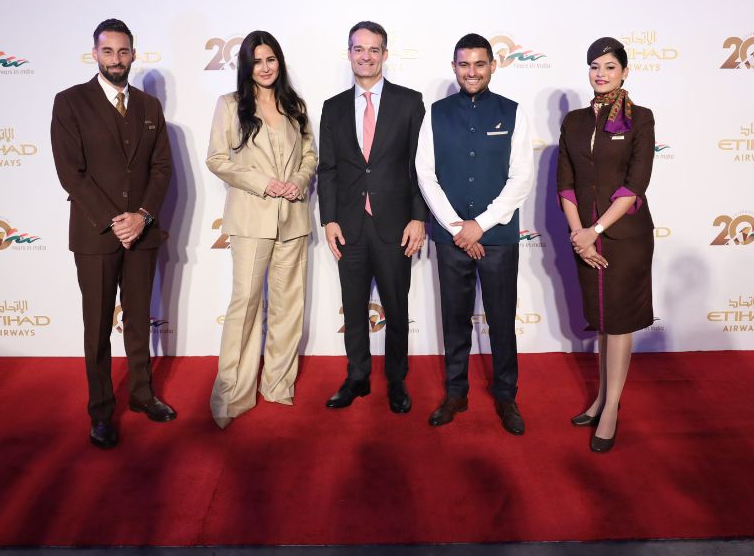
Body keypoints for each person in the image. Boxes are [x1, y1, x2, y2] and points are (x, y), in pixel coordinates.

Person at [50, 18, 175, 449]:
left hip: (142, 233)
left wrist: (141, 216)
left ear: (133, 55)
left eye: (123, 52)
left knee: (138, 320)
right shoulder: (70, 102)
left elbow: (161, 169)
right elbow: (71, 173)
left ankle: (142, 394)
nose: (116, 59)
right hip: (95, 235)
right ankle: (101, 412)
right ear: (95, 54)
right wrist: (114, 219)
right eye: (108, 51)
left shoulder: (149, 106)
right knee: (98, 326)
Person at [416, 33, 534, 435]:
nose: (472, 72)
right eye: (464, 64)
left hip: (497, 238)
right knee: (454, 320)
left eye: (479, 64)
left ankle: (506, 395)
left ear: (492, 66)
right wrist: (456, 227)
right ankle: (455, 393)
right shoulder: (436, 113)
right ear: (454, 67)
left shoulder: (513, 112)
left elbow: (521, 178)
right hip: (451, 239)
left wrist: (479, 225)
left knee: (502, 320)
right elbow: (425, 174)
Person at [207, 31, 317, 429]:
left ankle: (277, 384)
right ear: (246, 66)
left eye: (271, 59)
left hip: (293, 217)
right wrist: (263, 183)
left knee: (288, 307)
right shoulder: (230, 104)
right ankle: (232, 396)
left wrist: (299, 182)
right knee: (246, 306)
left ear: (279, 62)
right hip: (252, 218)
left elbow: (309, 155)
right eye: (257, 61)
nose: (265, 67)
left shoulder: (295, 105)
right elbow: (217, 159)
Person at [317, 21, 427, 414]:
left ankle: (397, 380)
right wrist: (329, 219)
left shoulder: (409, 102)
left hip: (395, 225)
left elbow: (420, 166)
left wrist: (418, 218)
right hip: (349, 225)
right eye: (358, 49)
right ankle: (357, 376)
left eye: (373, 49)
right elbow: (328, 169)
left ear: (385, 54)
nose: (366, 56)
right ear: (349, 53)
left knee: (396, 308)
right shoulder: (332, 107)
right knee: (353, 306)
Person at [557, 37, 655, 453]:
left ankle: (612, 406)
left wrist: (594, 230)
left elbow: (635, 185)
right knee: (602, 323)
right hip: (585, 238)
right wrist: (579, 235)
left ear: (625, 72)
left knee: (619, 324)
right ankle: (601, 398)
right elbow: (565, 184)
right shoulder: (574, 121)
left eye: (610, 66)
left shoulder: (641, 119)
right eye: (595, 66)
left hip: (624, 238)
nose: (601, 73)